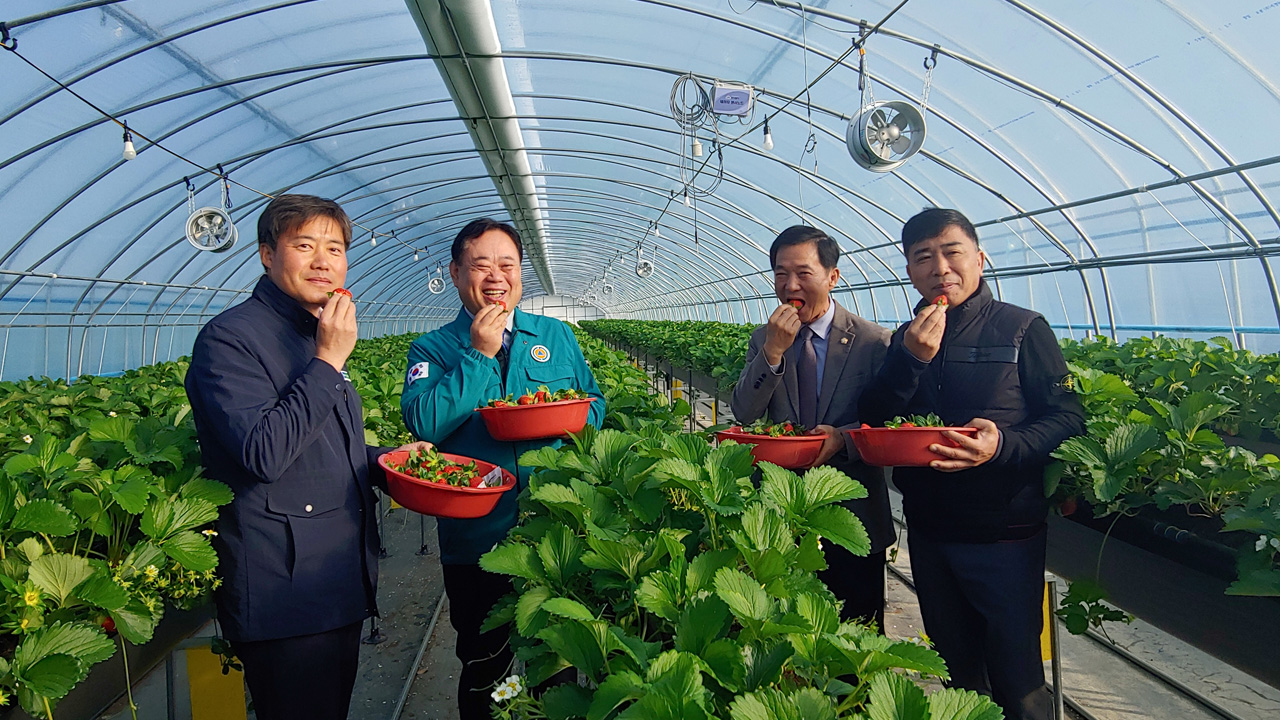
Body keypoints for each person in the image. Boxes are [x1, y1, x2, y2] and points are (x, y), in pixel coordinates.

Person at [184, 194, 429, 720]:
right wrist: (329, 359)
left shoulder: (311, 331)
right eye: (304, 245)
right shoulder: (229, 340)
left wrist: (388, 460)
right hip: (285, 593)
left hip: (334, 579)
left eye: (335, 248)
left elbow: (316, 449)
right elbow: (264, 452)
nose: (323, 260)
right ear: (267, 254)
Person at [859, 208, 1085, 720]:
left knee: (1019, 677)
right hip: (931, 532)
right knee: (958, 672)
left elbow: (1069, 417)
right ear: (910, 271)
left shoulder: (1023, 329)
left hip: (1006, 533)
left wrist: (1001, 445)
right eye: (924, 258)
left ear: (979, 258)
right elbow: (874, 418)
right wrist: (911, 358)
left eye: (952, 252)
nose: (940, 268)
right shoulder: (905, 338)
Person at [400, 217, 605, 720]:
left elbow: (594, 406)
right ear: (455, 272)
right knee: (481, 658)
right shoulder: (434, 349)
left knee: (555, 660)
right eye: (481, 265)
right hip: (478, 539)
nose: (496, 276)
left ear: (521, 274)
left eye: (507, 265)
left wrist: (559, 422)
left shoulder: (555, 335)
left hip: (553, 531)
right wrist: (479, 354)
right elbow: (424, 420)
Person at [731, 225, 894, 629]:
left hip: (853, 511)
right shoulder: (762, 339)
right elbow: (744, 412)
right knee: (784, 628)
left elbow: (889, 421)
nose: (790, 285)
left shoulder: (874, 342)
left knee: (856, 631)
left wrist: (843, 438)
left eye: (803, 273)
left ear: (832, 277)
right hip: (780, 506)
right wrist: (772, 351)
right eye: (781, 274)